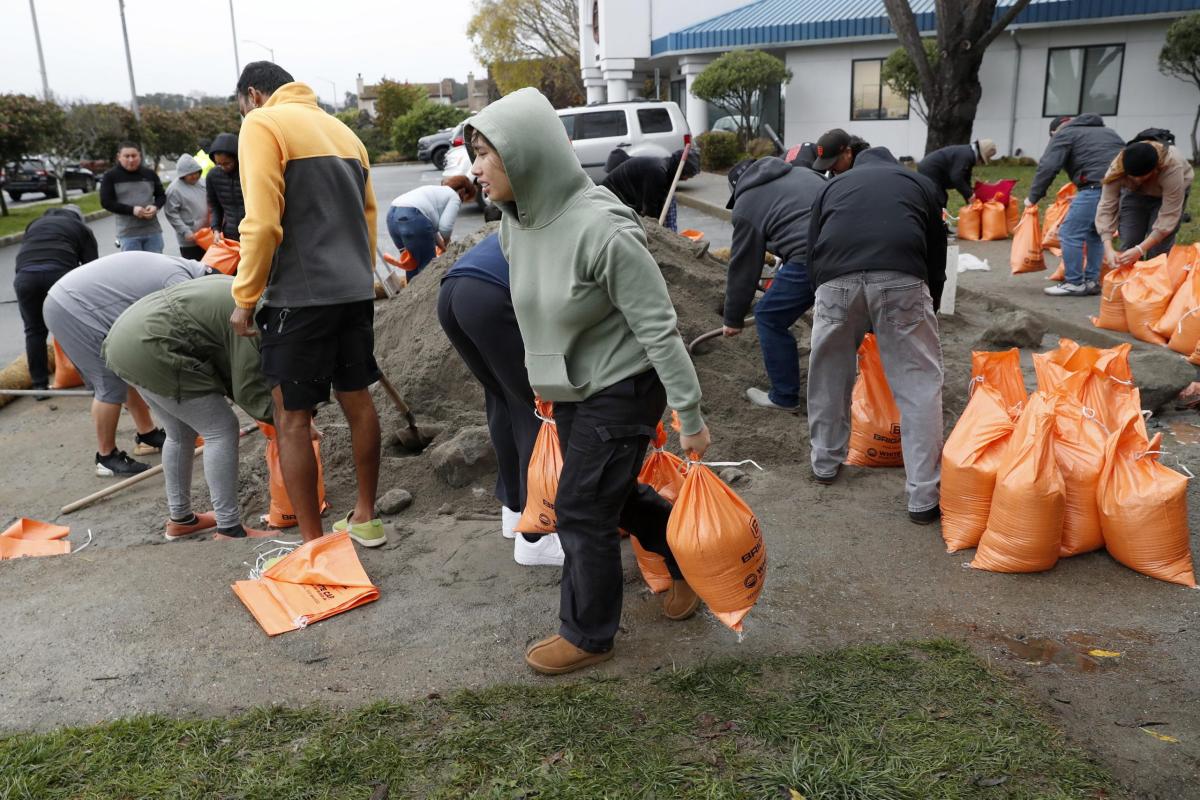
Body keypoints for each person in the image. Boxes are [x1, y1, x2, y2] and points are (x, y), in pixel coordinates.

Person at [468, 87, 712, 676]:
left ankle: (588, 634)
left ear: (525, 154)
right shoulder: (515, 223)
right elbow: (538, 311)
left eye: (485, 154)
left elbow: (661, 331)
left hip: (625, 387)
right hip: (575, 388)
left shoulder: (604, 231)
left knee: (580, 508)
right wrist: (542, 377)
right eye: (472, 153)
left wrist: (691, 417)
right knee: (614, 494)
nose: (474, 169)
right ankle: (684, 565)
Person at [230, 61, 384, 548]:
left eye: (240, 107)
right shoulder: (344, 133)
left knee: (292, 418)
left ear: (253, 94)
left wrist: (244, 298)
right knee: (358, 400)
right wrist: (362, 279)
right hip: (353, 291)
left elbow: (262, 223)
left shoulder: (262, 123)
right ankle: (365, 517)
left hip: (299, 297)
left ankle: (314, 546)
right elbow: (368, 217)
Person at [806, 146, 946, 524]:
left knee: (828, 376)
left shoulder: (833, 186)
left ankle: (824, 463)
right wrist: (930, 298)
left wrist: (825, 294)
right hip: (901, 276)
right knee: (918, 384)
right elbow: (937, 253)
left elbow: (812, 249)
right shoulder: (919, 183)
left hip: (835, 281)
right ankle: (923, 497)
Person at [103, 275, 274, 541]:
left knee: (179, 432)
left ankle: (181, 520)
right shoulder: (257, 313)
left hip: (125, 340)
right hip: (152, 345)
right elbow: (246, 380)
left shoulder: (242, 287)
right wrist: (278, 419)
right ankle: (229, 529)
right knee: (221, 429)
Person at [436, 233, 564, 567]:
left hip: (453, 292)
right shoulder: (592, 233)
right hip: (489, 296)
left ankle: (515, 510)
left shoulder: (543, 218)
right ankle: (536, 538)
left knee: (505, 400)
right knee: (539, 411)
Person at [44, 252, 209, 476]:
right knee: (110, 383)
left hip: (78, 301)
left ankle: (147, 435)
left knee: (126, 367)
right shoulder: (181, 282)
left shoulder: (185, 270)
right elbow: (188, 335)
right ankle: (106, 457)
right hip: (72, 308)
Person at [721, 156, 827, 412]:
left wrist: (732, 318)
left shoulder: (746, 204)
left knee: (768, 315)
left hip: (814, 257)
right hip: (856, 248)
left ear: (738, 188)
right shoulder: (803, 173)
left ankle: (783, 396)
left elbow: (744, 266)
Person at [1026, 115, 1124, 297]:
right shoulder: (1109, 132)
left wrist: (1033, 197)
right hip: (1120, 188)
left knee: (1070, 232)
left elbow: (1048, 166)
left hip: (1094, 186)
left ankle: (1074, 282)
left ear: (1054, 132)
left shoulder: (1065, 134)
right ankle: (1092, 281)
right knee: (1095, 233)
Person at [13, 205, 98, 396]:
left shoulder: (35, 224)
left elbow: (27, 254)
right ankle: (93, 383)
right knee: (74, 329)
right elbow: (92, 268)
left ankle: (39, 386)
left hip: (25, 278)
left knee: (34, 331)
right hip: (59, 275)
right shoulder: (81, 228)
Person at [1096, 138, 1194, 267]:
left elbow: (1168, 217)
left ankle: (1154, 281)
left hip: (1167, 194)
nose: (1137, 180)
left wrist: (1140, 249)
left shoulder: (1172, 166)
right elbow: (1107, 206)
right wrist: (1108, 249)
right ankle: (1129, 284)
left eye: (1142, 177)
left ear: (1155, 170)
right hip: (1135, 194)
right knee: (1129, 240)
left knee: (1159, 249)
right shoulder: (1117, 168)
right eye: (1133, 176)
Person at [387, 176, 476, 278]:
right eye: (465, 198)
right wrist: (447, 241)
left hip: (392, 216)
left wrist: (442, 246)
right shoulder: (454, 196)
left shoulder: (436, 192)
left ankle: (411, 292)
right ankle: (424, 293)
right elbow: (445, 227)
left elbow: (430, 228)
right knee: (427, 268)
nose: (462, 201)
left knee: (412, 263)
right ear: (462, 191)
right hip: (412, 218)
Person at [600, 148, 700, 232]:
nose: (686, 179)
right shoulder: (658, 172)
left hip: (623, 197)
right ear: (681, 171)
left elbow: (659, 203)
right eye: (687, 175)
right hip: (610, 197)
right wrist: (656, 231)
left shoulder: (665, 170)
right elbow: (650, 207)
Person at [99, 142, 166, 252]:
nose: (131, 159)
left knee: (156, 266)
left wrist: (156, 207)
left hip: (153, 231)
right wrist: (132, 210)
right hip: (128, 234)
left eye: (134, 156)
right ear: (119, 157)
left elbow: (161, 195)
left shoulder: (149, 174)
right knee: (133, 268)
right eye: (127, 156)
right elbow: (106, 202)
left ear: (139, 155)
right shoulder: (110, 176)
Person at [917, 139, 998, 208]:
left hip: (933, 170)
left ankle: (939, 222)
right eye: (983, 161)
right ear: (980, 156)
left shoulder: (968, 154)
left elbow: (965, 178)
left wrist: (970, 197)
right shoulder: (967, 155)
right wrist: (969, 195)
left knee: (942, 198)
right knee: (939, 199)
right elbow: (956, 177)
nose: (981, 163)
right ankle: (936, 224)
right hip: (930, 170)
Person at [163, 154, 209, 260]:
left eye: (196, 172)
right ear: (182, 175)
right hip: (190, 239)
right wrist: (185, 231)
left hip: (207, 235)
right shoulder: (174, 190)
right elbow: (171, 214)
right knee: (195, 270)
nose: (194, 176)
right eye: (190, 174)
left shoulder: (202, 182)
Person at [206, 132, 245, 242]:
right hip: (230, 233)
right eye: (218, 164)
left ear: (237, 157)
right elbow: (215, 206)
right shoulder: (212, 176)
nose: (223, 167)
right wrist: (216, 229)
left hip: (252, 232)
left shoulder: (250, 172)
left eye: (227, 163)